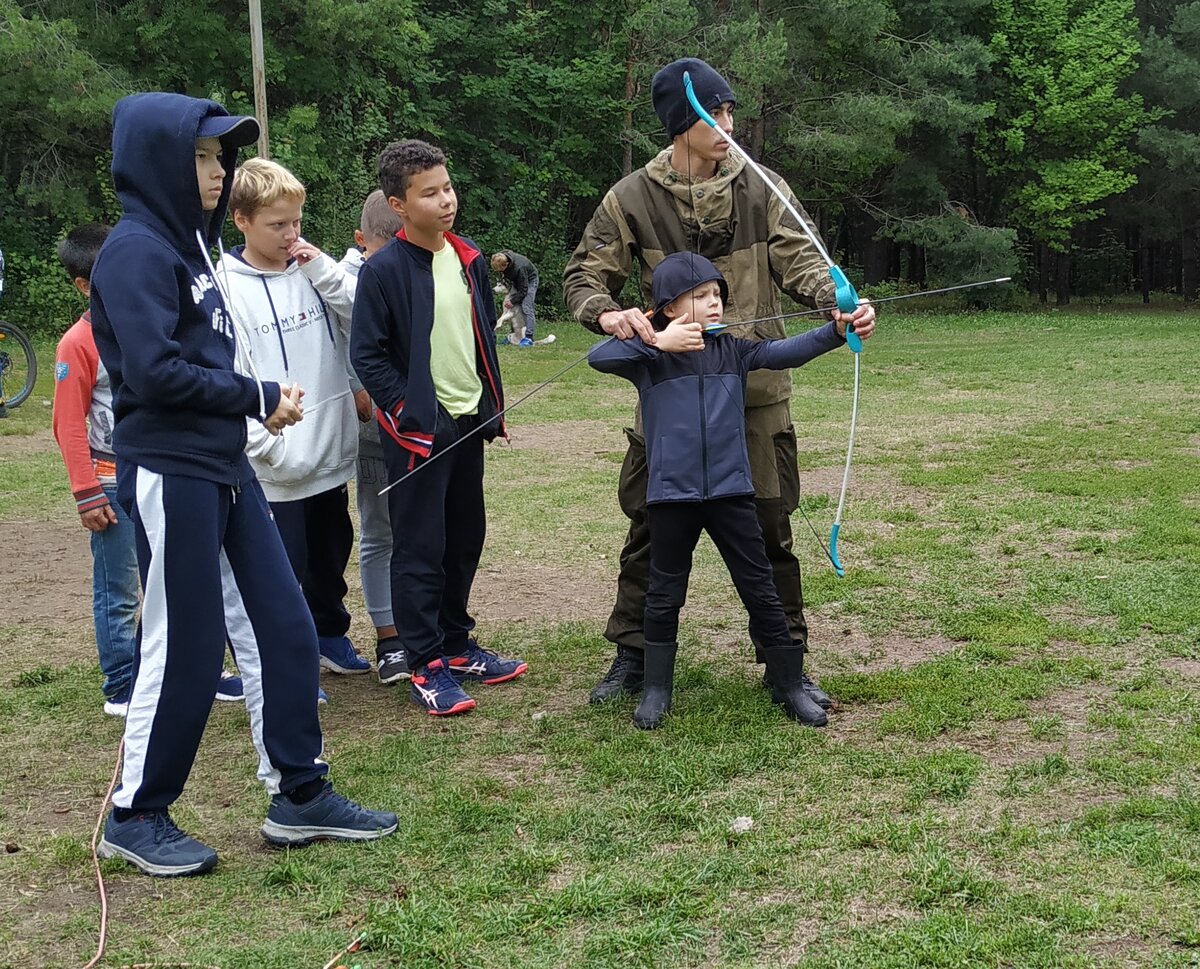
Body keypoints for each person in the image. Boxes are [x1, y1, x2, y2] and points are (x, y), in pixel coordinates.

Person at [89, 92, 396, 877]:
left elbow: (203, 358)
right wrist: (256, 395)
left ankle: (299, 791)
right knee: (182, 643)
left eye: (221, 156)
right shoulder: (135, 251)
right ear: (159, 160)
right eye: (202, 155)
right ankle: (136, 811)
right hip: (171, 468)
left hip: (224, 465)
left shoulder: (188, 250)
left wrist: (251, 401)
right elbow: (154, 371)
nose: (218, 170)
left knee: (287, 626)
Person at [563, 56, 877, 709]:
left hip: (755, 391)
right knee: (652, 527)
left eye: (731, 110)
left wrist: (836, 306)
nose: (730, 124)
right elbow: (583, 280)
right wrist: (611, 314)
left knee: (770, 525)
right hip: (672, 402)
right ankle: (635, 657)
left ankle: (785, 664)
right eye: (719, 112)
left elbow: (806, 265)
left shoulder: (764, 187)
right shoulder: (631, 197)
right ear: (686, 121)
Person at [590, 253, 874, 727]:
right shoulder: (647, 360)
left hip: (730, 492)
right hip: (671, 496)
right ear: (668, 306)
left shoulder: (735, 351)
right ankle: (657, 690)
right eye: (700, 296)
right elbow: (600, 357)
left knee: (760, 587)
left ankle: (787, 683)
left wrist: (836, 330)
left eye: (717, 294)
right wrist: (659, 341)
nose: (714, 303)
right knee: (664, 593)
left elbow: (787, 352)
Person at [351, 139, 528, 716]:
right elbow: (368, 356)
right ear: (398, 205)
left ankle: (456, 644)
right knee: (419, 548)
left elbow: (476, 339)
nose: (446, 200)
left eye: (447, 187)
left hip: (467, 423)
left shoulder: (469, 258)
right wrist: (406, 412)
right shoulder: (381, 272)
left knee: (463, 539)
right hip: (418, 434)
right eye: (430, 193)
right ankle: (423, 661)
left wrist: (488, 407)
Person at [52, 224, 244, 716]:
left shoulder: (157, 330)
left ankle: (196, 670)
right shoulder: (78, 343)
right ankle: (122, 682)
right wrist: (86, 491)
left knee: (175, 575)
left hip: (156, 472)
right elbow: (68, 423)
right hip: (109, 480)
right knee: (119, 588)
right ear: (85, 286)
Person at [218, 158, 368, 688]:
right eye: (277, 224)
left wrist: (321, 267)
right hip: (275, 464)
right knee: (284, 570)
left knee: (332, 554)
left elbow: (364, 314)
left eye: (297, 222)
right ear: (241, 220)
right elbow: (231, 372)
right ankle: (284, 663)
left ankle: (329, 635)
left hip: (330, 453)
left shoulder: (314, 270)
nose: (291, 234)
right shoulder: (226, 288)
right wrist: (266, 447)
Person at [338, 189, 409, 683]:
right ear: (362, 241)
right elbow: (344, 342)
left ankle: (427, 628)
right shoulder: (344, 281)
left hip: (421, 424)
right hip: (374, 429)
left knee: (423, 529)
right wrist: (357, 387)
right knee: (379, 528)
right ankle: (388, 638)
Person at [489, 249, 539, 345]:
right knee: (514, 307)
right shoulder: (501, 257)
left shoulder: (520, 268)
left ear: (506, 265)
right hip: (517, 280)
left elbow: (524, 290)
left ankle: (529, 337)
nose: (498, 272)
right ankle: (514, 335)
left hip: (530, 280)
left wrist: (512, 300)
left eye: (499, 270)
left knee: (526, 306)